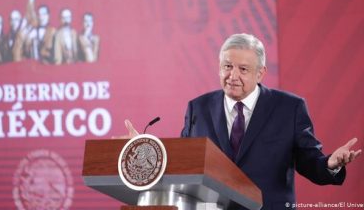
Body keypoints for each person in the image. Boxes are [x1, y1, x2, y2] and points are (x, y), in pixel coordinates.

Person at [123, 33, 361, 210]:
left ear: (260, 73)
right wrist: (144, 149)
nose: (232, 76)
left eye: (243, 69)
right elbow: (185, 162)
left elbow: (309, 161)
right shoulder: (198, 107)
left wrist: (331, 164)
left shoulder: (289, 108)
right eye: (227, 66)